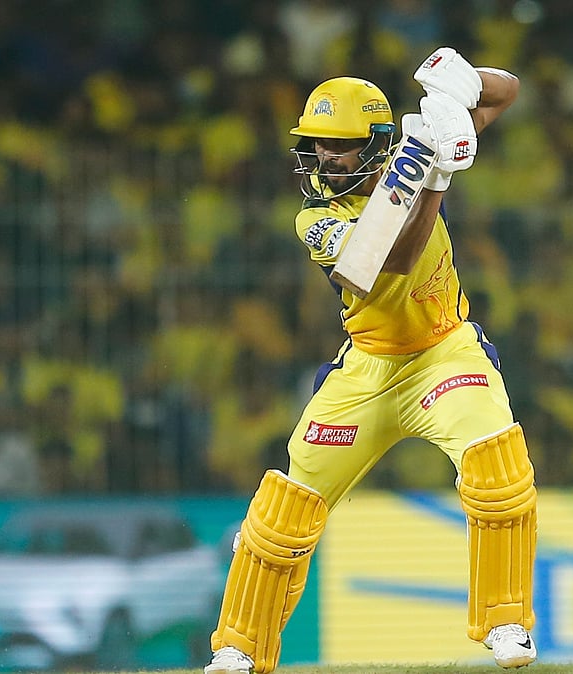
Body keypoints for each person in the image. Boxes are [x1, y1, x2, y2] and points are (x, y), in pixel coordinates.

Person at [203, 48, 536, 673]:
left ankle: (507, 624)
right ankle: (238, 649)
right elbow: (383, 265)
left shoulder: (416, 147)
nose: (325, 159)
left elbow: (507, 92)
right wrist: (432, 176)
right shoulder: (315, 216)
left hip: (444, 351)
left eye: (340, 146)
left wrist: (460, 88)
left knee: (499, 467)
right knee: (285, 511)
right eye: (317, 145)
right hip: (369, 369)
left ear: (377, 144)